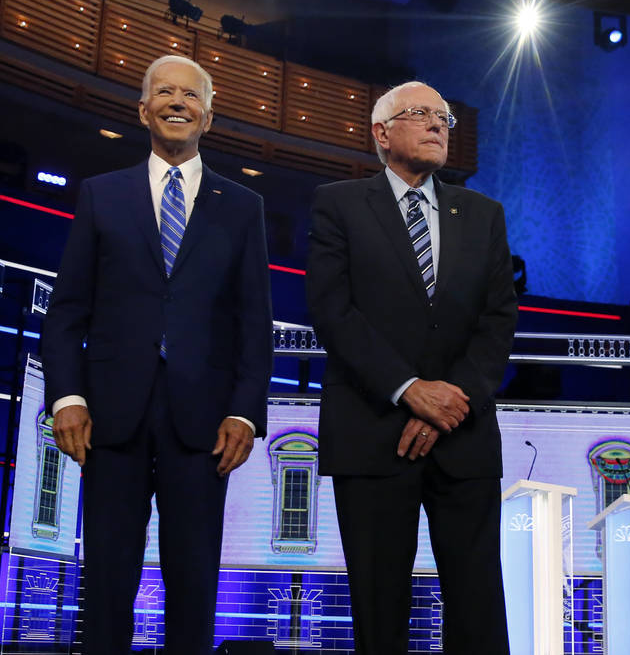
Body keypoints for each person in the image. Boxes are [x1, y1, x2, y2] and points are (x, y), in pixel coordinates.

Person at [41, 55, 273, 654]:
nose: (177, 102)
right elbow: (68, 310)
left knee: (194, 584)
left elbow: (254, 322)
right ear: (142, 110)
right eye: (163, 93)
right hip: (109, 421)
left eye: (190, 95)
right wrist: (66, 396)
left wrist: (246, 412)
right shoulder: (101, 195)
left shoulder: (243, 207)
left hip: (204, 427)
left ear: (209, 115)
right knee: (108, 582)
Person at [306, 81, 518, 654]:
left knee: (478, 607)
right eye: (421, 114)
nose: (438, 125)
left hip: (463, 435)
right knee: (379, 610)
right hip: (373, 433)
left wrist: (449, 402)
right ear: (382, 132)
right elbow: (332, 311)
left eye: (443, 116)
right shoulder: (339, 204)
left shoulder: (484, 214)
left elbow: (498, 321)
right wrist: (408, 390)